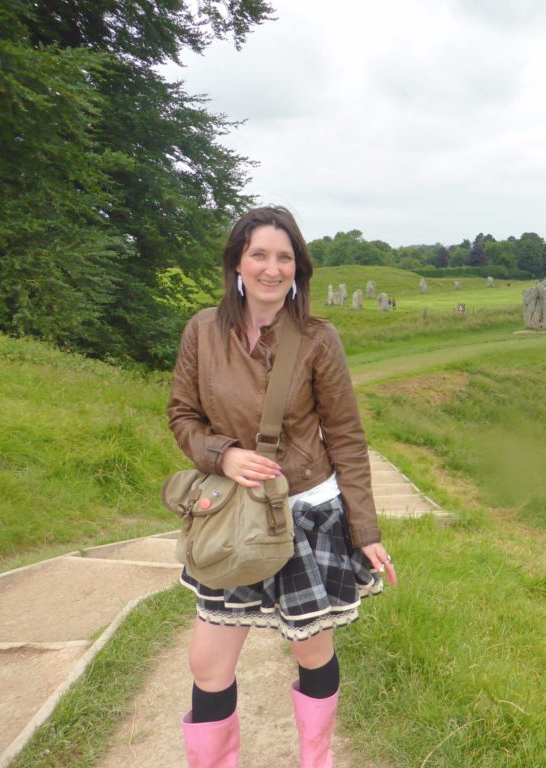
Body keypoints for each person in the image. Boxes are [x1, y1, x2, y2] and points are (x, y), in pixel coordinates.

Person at [168, 206, 397, 768]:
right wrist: (224, 456)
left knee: (312, 650)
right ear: (237, 263)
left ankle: (315, 760)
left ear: (299, 268)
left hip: (306, 514)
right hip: (231, 519)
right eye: (259, 255)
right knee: (207, 663)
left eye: (284, 257)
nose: (272, 269)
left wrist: (364, 529)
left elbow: (346, 436)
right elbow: (182, 415)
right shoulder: (202, 329)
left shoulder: (319, 338)